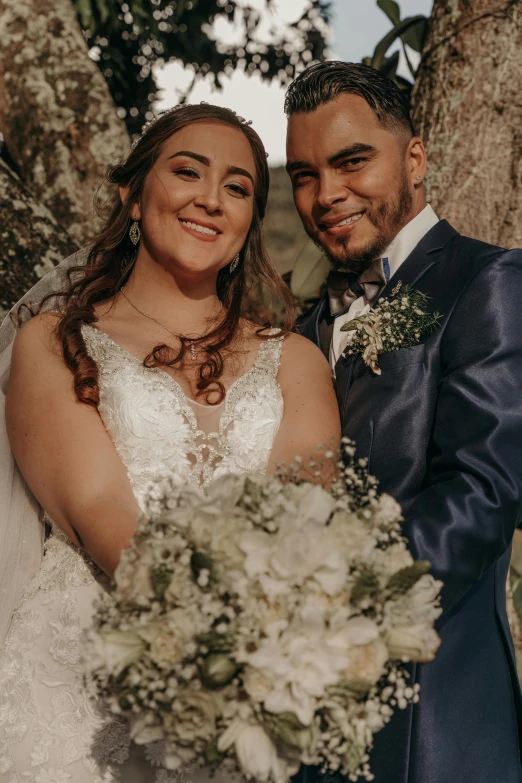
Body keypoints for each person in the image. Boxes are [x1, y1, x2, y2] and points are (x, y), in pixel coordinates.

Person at [0, 103, 340, 781]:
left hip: (238, 699)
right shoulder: (54, 342)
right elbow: (96, 505)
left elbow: (306, 512)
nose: (211, 199)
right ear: (132, 195)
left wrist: (256, 664)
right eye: (188, 172)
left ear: (249, 222)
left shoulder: (296, 361)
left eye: (238, 187)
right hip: (79, 697)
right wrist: (212, 642)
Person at [288, 61, 522, 783]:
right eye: (303, 173)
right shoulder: (300, 327)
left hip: (436, 719)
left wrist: (329, 603)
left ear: (414, 159)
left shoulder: (488, 280)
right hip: (303, 719)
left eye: (352, 161)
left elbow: (482, 493)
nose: (326, 194)